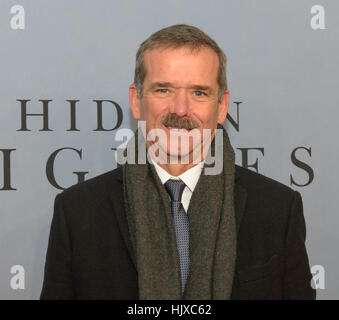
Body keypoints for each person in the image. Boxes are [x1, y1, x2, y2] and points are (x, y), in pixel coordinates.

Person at [40, 24, 316, 299]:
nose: (180, 109)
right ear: (136, 101)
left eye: (199, 92)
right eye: (163, 90)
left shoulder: (277, 210)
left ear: (221, 106)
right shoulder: (77, 213)